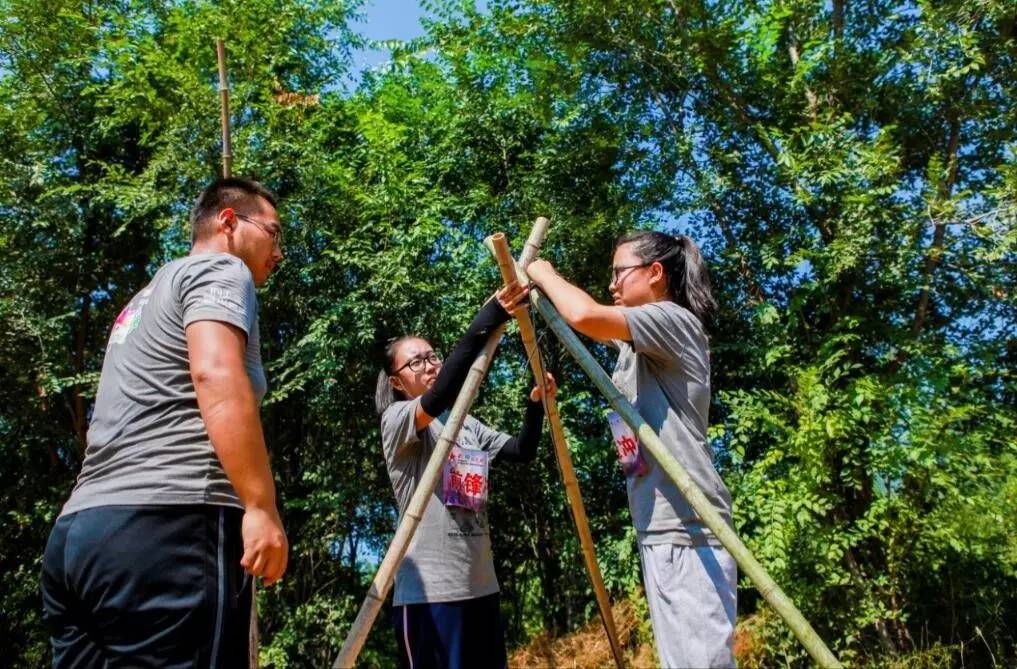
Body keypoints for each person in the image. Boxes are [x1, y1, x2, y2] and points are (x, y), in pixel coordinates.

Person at [41, 177, 289, 668]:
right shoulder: (221, 269)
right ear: (228, 222)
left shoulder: (142, 299)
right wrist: (260, 506)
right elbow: (214, 372)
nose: (279, 253)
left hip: (79, 539)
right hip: (170, 533)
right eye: (275, 234)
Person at [527, 231, 736, 668]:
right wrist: (532, 295)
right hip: (659, 526)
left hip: (689, 525)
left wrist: (543, 273)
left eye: (619, 273)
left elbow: (583, 314)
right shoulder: (637, 346)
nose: (612, 285)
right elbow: (584, 321)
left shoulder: (672, 320)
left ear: (656, 274)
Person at [376, 285, 556, 669]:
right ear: (396, 382)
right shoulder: (399, 423)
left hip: (480, 586)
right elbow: (439, 396)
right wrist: (491, 314)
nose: (430, 365)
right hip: (430, 595)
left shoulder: (465, 424)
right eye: (416, 362)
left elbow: (521, 451)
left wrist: (535, 406)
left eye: (432, 357)